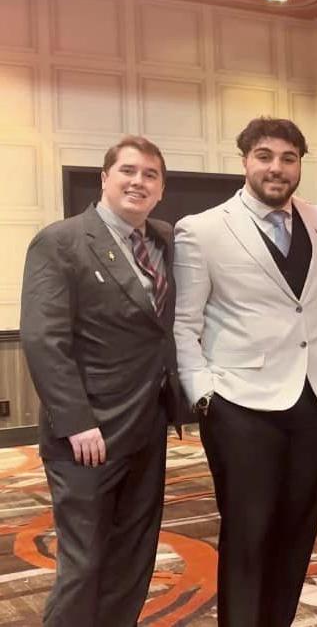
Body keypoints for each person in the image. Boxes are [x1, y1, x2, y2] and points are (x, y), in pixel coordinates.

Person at [173, 117, 317, 626]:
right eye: (265, 156)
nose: (276, 167)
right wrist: (205, 396)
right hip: (238, 406)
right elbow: (184, 325)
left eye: (288, 158)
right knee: (248, 533)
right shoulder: (203, 229)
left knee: (298, 530)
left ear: (300, 163)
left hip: (314, 401)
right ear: (245, 161)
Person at [20, 136, 185, 626]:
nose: (139, 182)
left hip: (147, 425)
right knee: (85, 562)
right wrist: (75, 421)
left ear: (160, 189)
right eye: (128, 171)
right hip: (87, 435)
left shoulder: (164, 239)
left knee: (133, 559)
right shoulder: (61, 241)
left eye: (150, 175)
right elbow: (44, 338)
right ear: (105, 178)